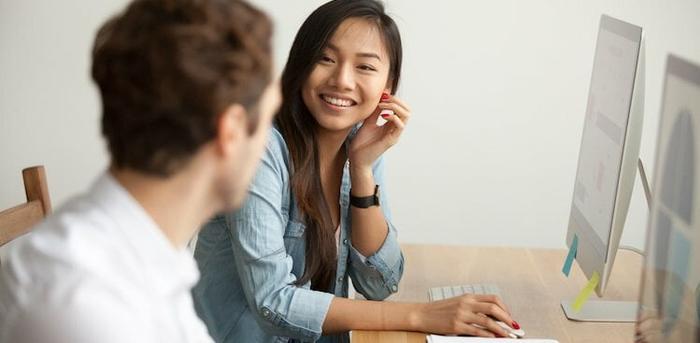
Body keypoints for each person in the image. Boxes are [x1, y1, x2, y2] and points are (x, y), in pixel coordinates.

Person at [192, 1, 520, 342]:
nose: (342, 80)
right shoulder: (258, 148)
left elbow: (379, 283)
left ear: (387, 85)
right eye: (325, 59)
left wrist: (362, 169)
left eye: (365, 67)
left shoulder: (360, 143)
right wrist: (423, 314)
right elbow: (274, 302)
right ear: (301, 65)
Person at [0, 0, 279, 342]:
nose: (267, 145)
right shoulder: (81, 299)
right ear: (232, 131)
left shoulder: (149, 245)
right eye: (268, 121)